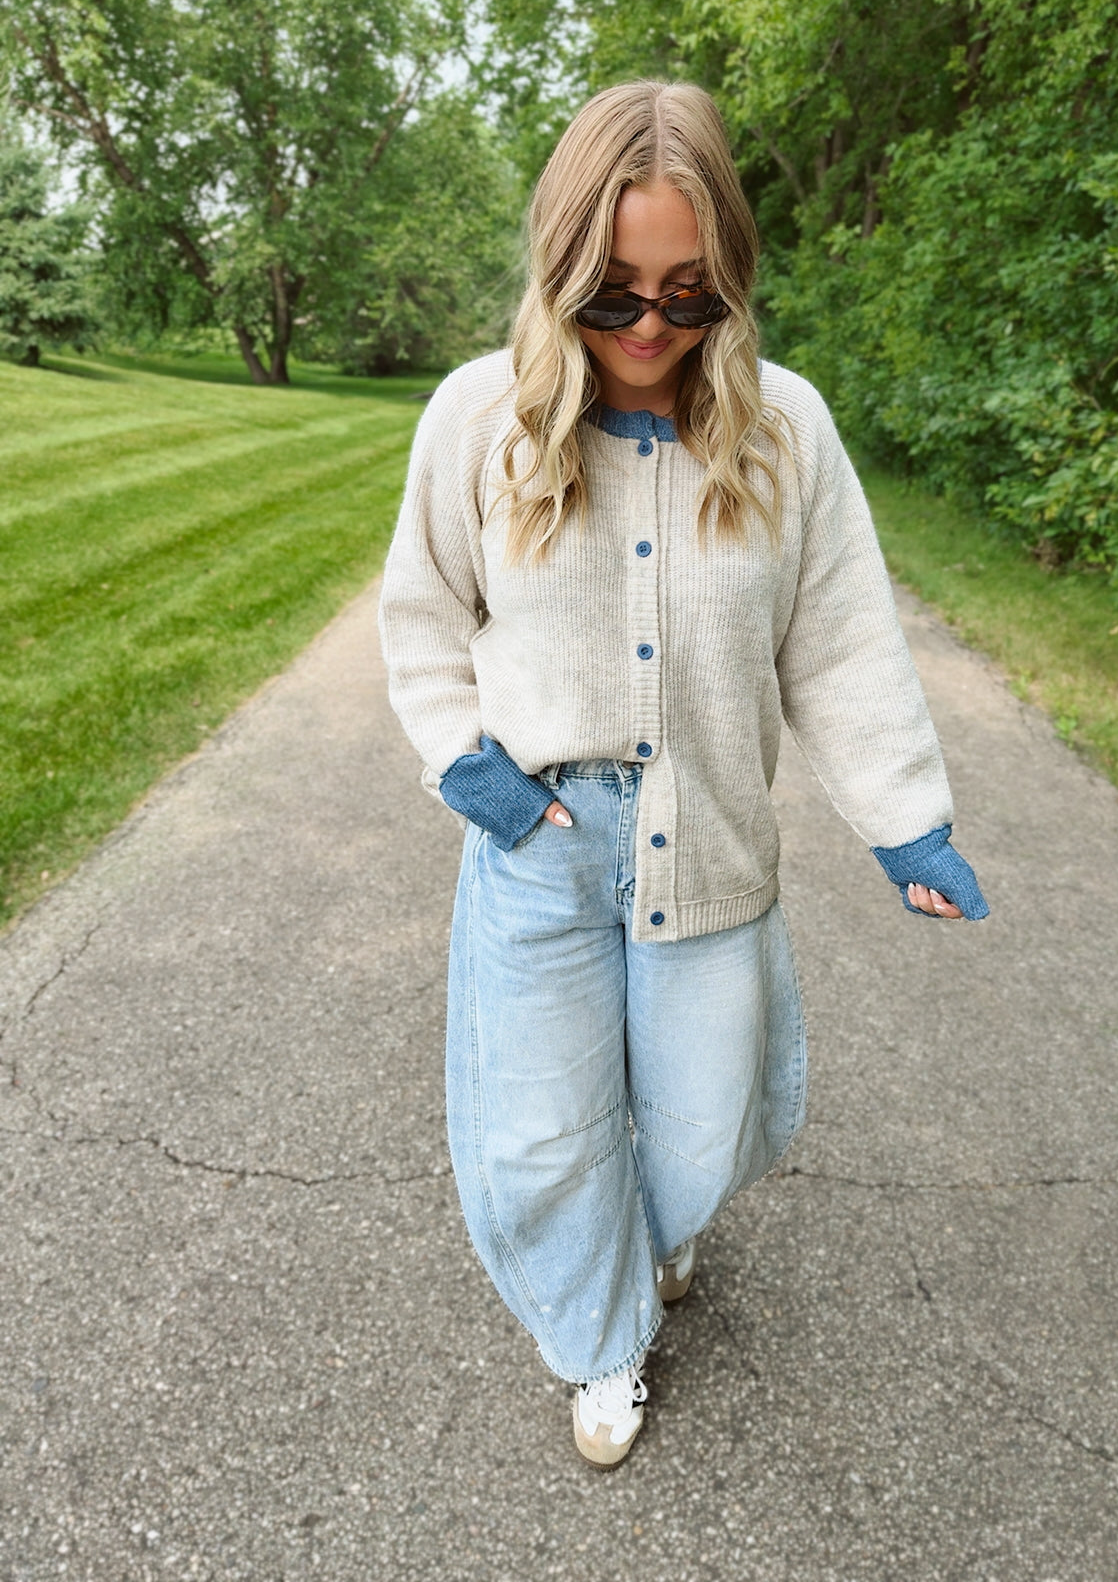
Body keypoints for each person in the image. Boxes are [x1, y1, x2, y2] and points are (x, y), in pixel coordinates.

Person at [378, 79, 988, 1468]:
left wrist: (907, 827)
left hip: (709, 839)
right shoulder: (483, 421)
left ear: (733, 285)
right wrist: (467, 767)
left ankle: (649, 1238)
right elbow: (420, 617)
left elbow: (837, 650)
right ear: (558, 272)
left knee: (706, 1120)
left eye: (686, 295)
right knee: (541, 1134)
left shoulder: (788, 436)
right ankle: (599, 1345)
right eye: (612, 296)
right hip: (539, 838)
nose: (648, 330)